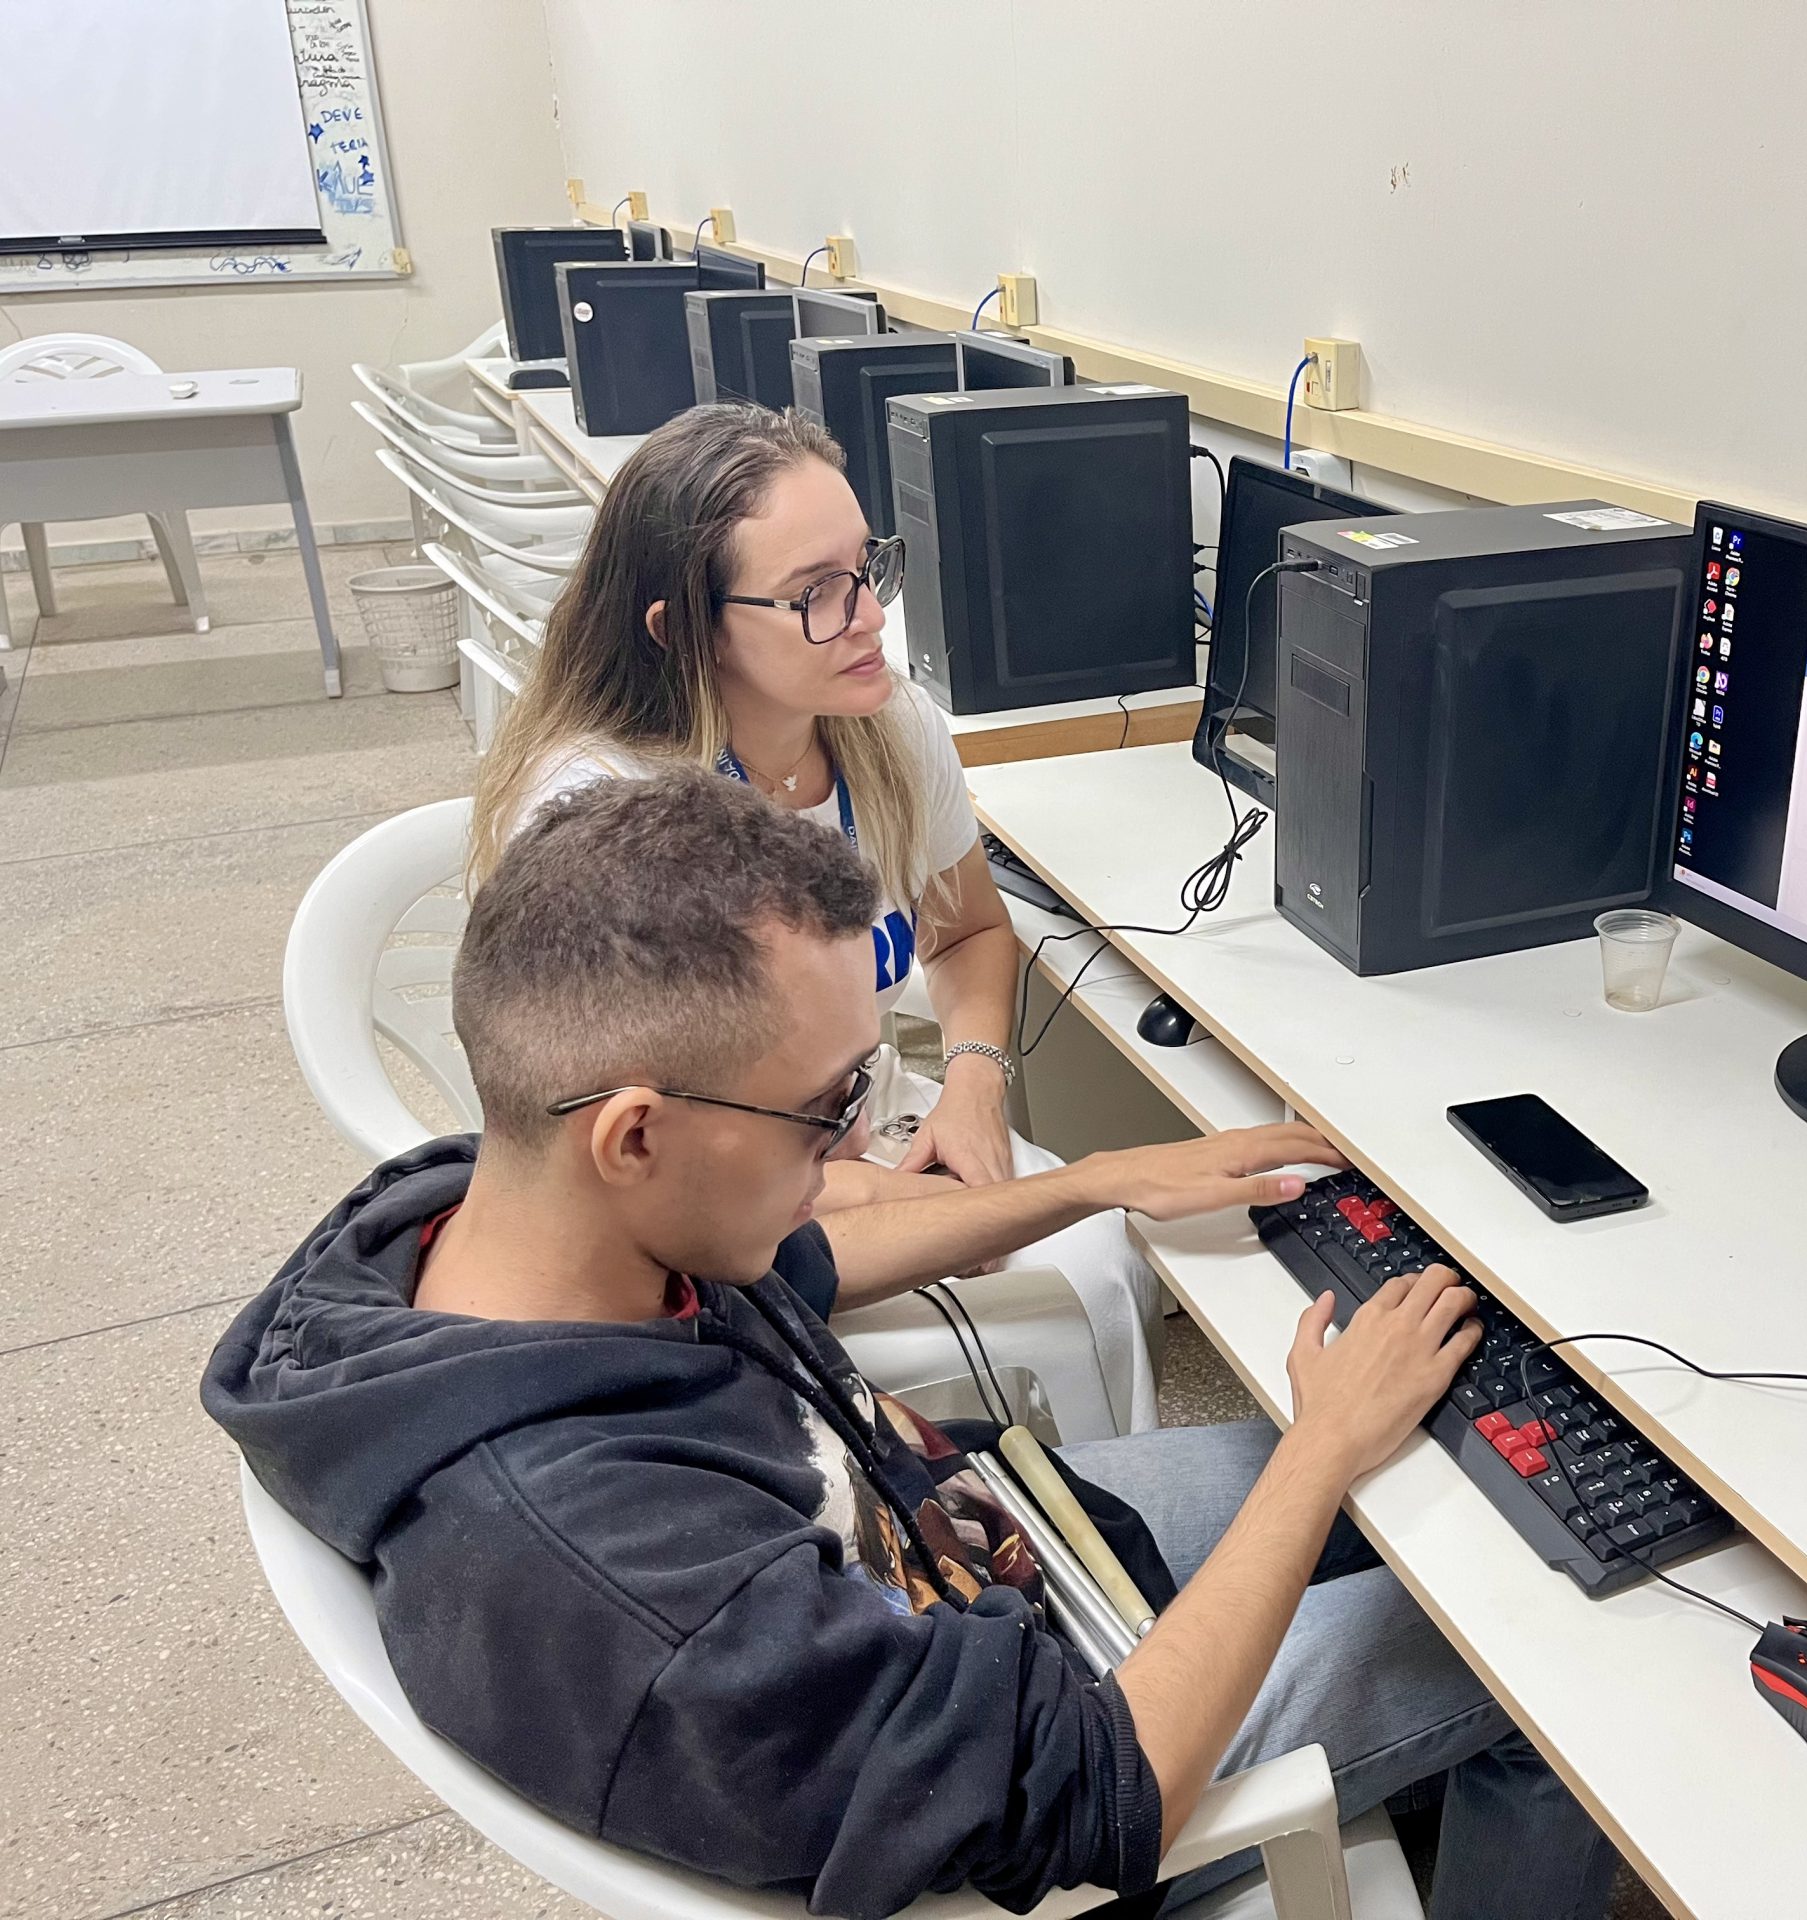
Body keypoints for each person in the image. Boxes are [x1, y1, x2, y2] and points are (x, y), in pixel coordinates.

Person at [206, 770, 1623, 1920]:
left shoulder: (500, 1221)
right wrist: (1319, 1452)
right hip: (1074, 1756)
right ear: (635, 1135)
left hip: (990, 1554)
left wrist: (1091, 1184)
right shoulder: (621, 1576)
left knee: (1451, 1475)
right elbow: (1093, 1790)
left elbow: (805, 1261)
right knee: (1559, 1653)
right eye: (827, 1110)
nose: (852, 1153)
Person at [468, 402, 1165, 1428]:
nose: (871, 617)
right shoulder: (609, 814)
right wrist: (905, 1199)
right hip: (698, 1201)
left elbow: (969, 930)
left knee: (1104, 1247)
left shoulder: (884, 723)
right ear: (682, 630)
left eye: (866, 567)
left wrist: (975, 1085)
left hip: (853, 1117)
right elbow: (631, 1162)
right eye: (815, 595)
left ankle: (1096, 1488)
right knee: (1083, 1244)